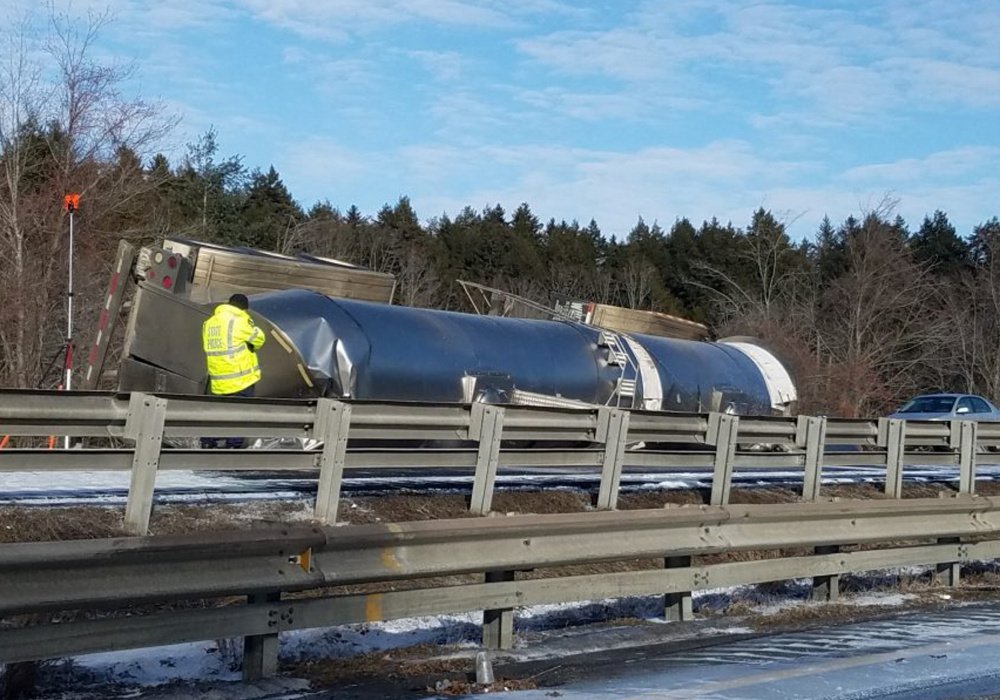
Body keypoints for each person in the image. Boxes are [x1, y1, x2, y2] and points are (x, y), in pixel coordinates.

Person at [201, 293, 266, 448]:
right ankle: (233, 448)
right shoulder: (239, 320)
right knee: (240, 415)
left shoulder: (209, 323)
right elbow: (259, 338)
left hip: (218, 379)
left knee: (217, 413)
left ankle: (208, 444)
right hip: (241, 378)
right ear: (244, 308)